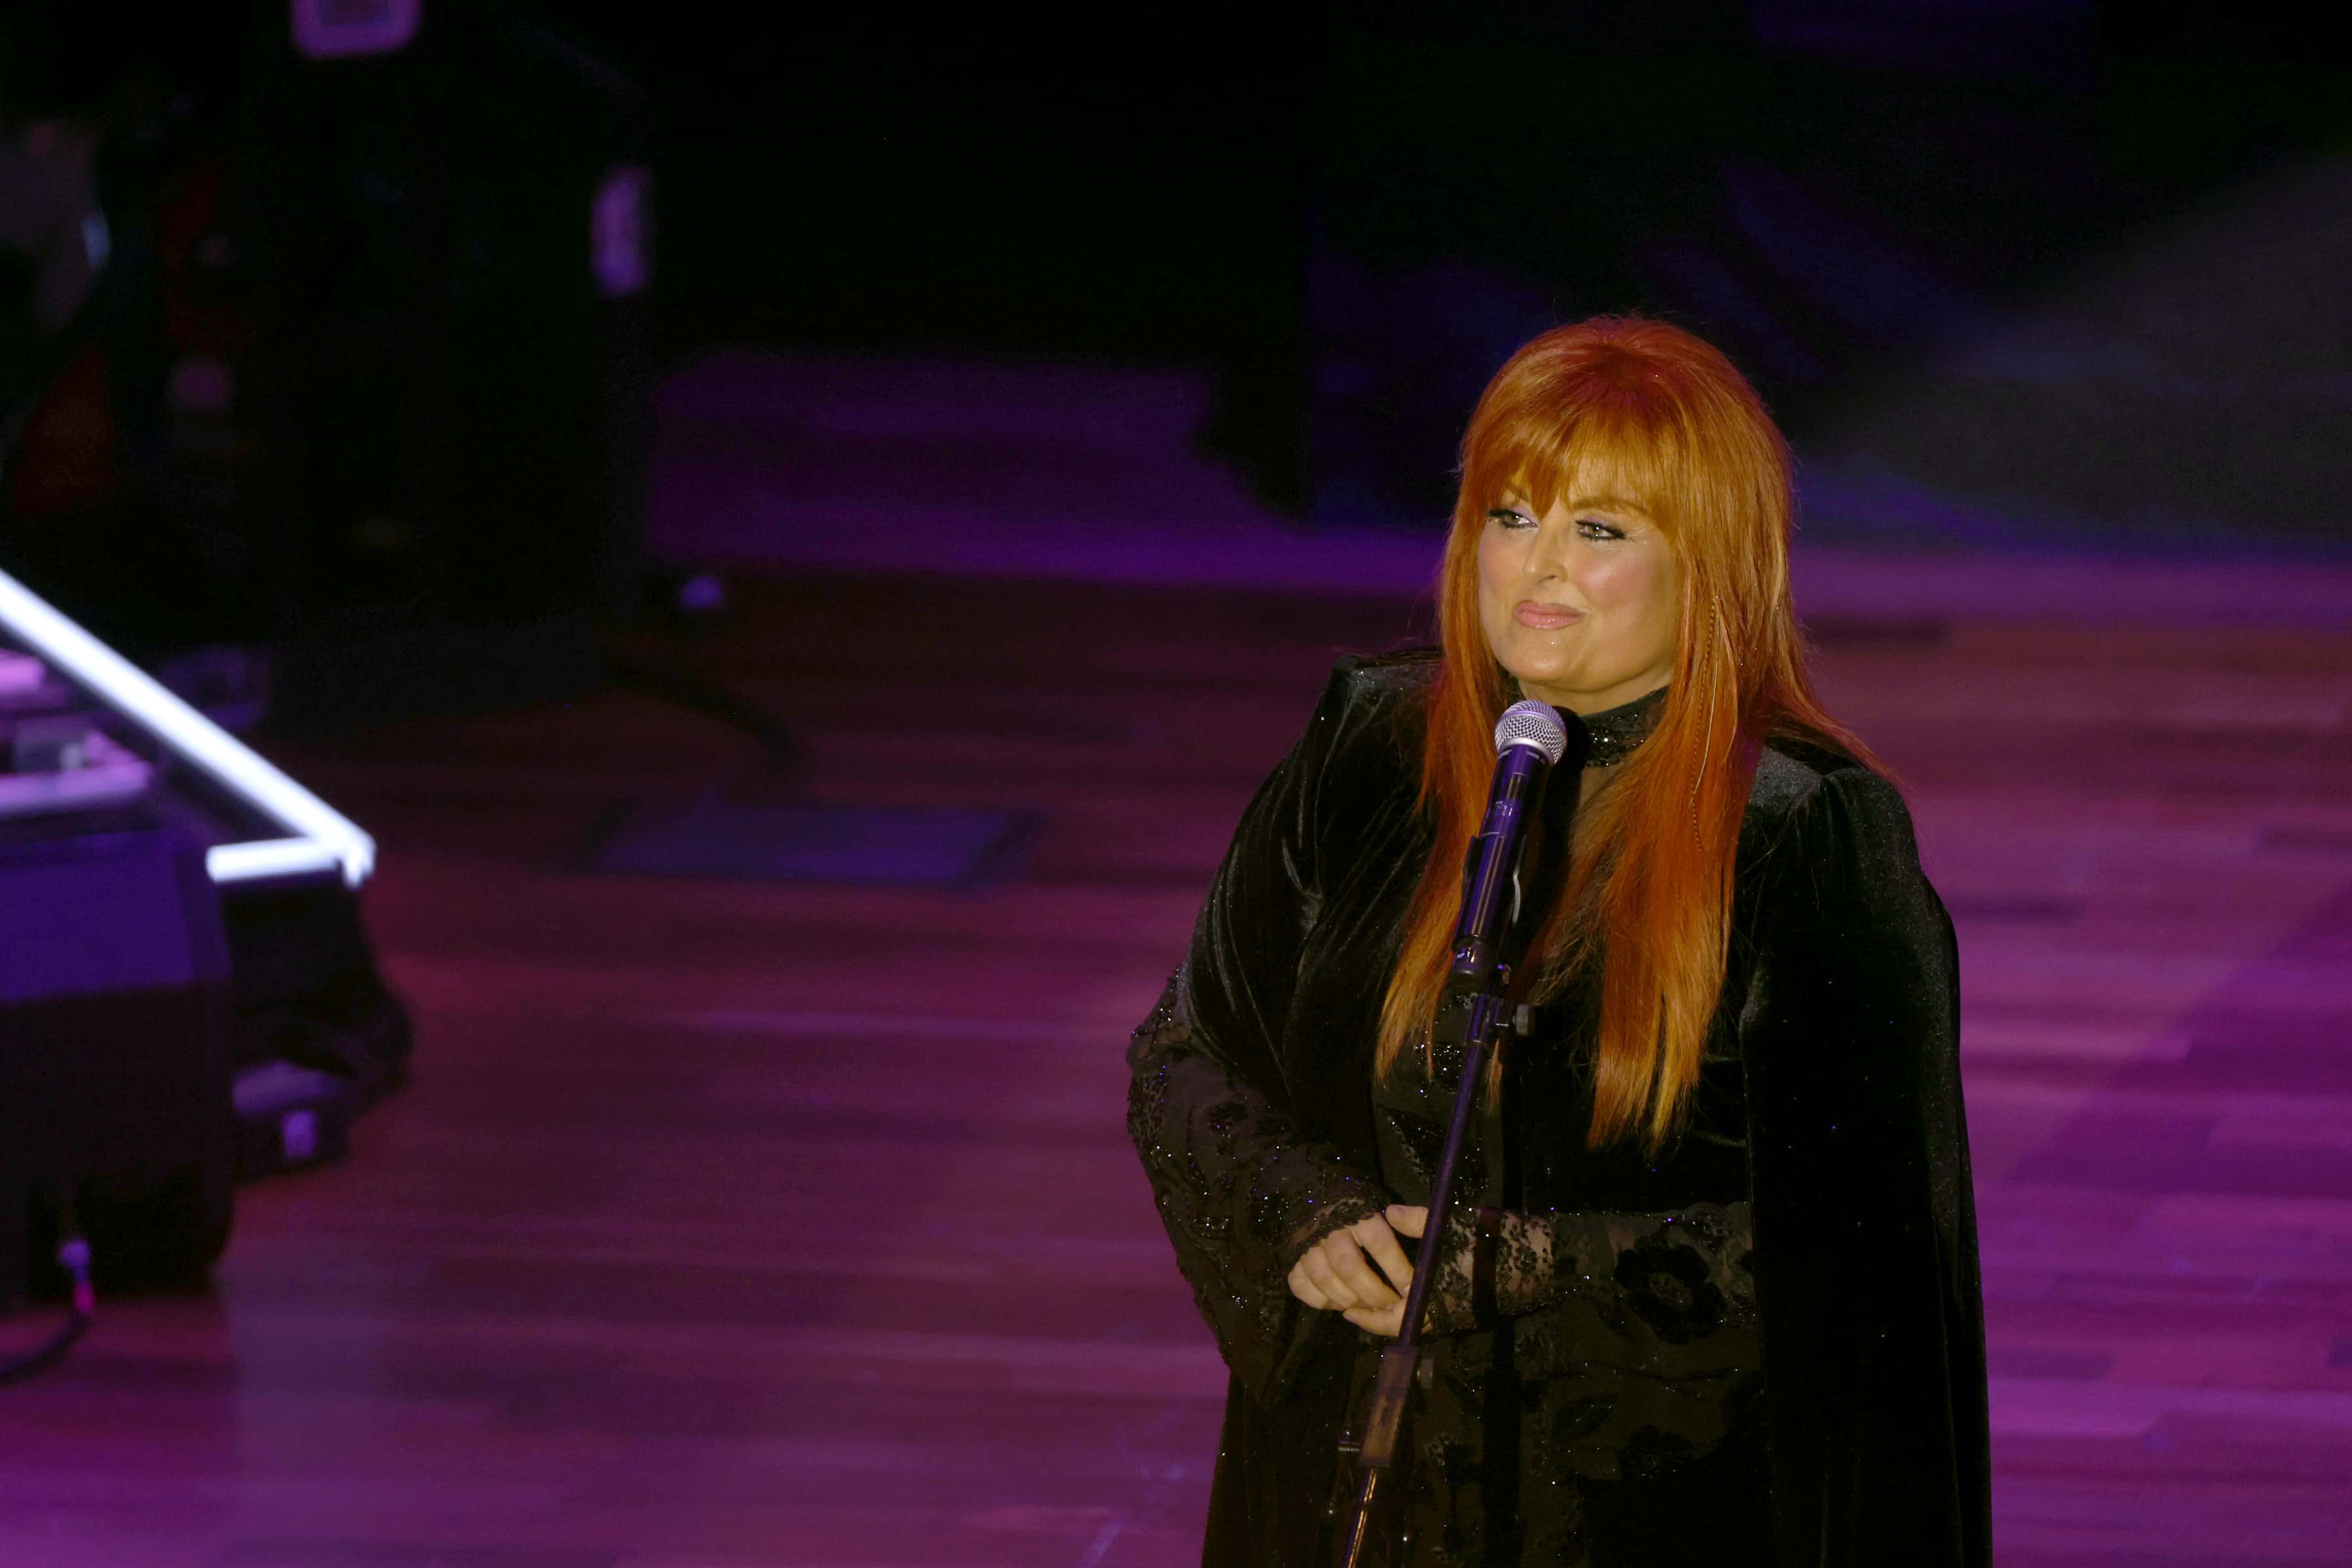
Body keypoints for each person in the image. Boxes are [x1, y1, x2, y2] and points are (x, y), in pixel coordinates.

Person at [1126, 316, 1990, 1567]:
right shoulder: (1366, 748)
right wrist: (1307, 1216)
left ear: (1709, 561)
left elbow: (1866, 1256)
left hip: (1654, 1509)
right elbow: (1189, 1053)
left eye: (1600, 530)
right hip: (1354, 1483)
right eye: (1512, 514)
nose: (1538, 567)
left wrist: (1524, 1267)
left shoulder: (1806, 835)